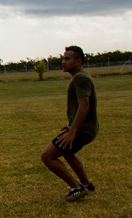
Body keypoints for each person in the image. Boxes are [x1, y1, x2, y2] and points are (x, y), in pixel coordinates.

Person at [40, 45, 99, 202]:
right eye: (63, 58)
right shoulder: (80, 76)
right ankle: (86, 184)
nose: (63, 61)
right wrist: (71, 124)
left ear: (78, 61)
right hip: (85, 128)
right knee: (67, 152)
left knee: (47, 156)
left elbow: (84, 105)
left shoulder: (80, 78)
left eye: (67, 59)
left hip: (82, 130)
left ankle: (77, 188)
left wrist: (73, 130)